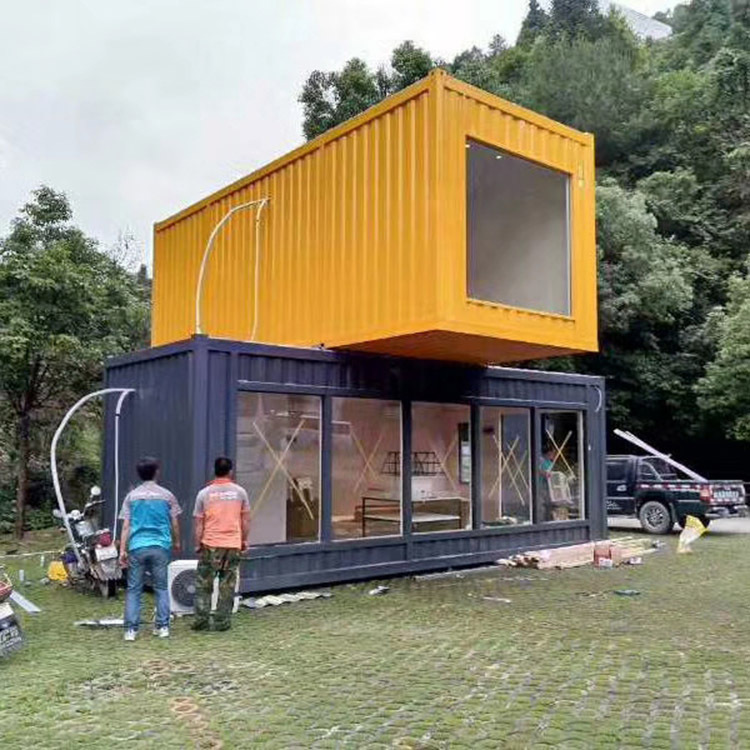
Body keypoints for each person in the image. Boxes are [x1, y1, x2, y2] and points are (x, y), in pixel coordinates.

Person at [119, 457, 182, 641]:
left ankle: (130, 630)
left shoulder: (131, 497)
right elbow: (175, 522)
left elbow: (126, 526)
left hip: (137, 547)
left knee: (133, 589)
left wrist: (123, 550)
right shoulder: (167, 495)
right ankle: (163, 627)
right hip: (160, 546)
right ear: (156, 472)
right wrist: (177, 542)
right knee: (161, 588)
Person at [192, 456, 251, 632]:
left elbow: (199, 524)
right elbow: (245, 520)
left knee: (204, 584)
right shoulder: (240, 493)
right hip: (232, 544)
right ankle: (222, 622)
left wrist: (198, 544)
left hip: (210, 544)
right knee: (227, 585)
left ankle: (201, 621)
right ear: (230, 471)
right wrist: (243, 540)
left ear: (214, 470)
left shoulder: (204, 494)